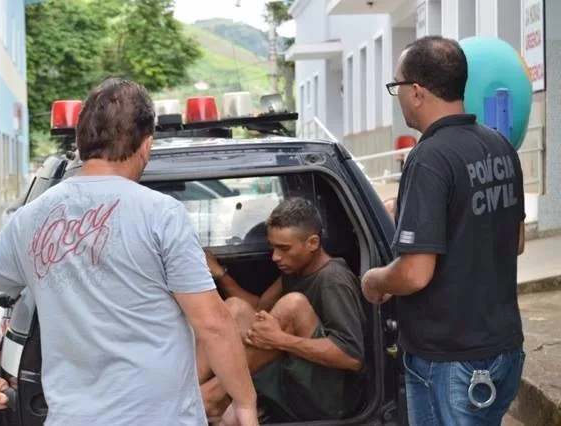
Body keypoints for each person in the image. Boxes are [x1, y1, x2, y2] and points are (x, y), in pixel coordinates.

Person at [0, 78, 258, 426]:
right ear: (146, 145)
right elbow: (212, 324)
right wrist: (245, 403)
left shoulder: (32, 218)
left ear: (81, 144)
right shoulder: (161, 214)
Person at [361, 35, 526, 425]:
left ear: (416, 92)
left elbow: (416, 272)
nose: (397, 95)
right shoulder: (500, 146)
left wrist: (375, 280)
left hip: (450, 362)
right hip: (502, 351)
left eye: (396, 86)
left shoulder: (429, 157)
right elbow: (514, 241)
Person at [199, 197, 367, 422]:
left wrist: (281, 340)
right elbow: (258, 307)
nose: (275, 257)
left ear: (313, 243)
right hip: (294, 374)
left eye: (284, 248)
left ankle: (211, 395)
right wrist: (219, 273)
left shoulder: (332, 280)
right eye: (273, 247)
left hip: (328, 398)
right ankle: (187, 390)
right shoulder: (294, 270)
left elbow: (351, 357)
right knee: (235, 309)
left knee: (292, 305)